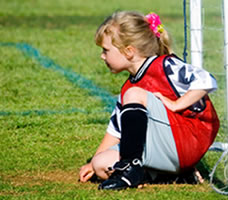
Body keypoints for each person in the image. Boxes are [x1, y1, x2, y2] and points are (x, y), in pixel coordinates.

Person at [79, 11, 219, 190]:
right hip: (167, 149)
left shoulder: (165, 66)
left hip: (190, 138)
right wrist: (91, 164)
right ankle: (175, 176)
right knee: (101, 164)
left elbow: (206, 79)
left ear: (129, 51)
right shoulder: (129, 88)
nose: (102, 56)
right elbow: (115, 131)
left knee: (134, 94)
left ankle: (129, 169)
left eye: (106, 50)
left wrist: (177, 104)